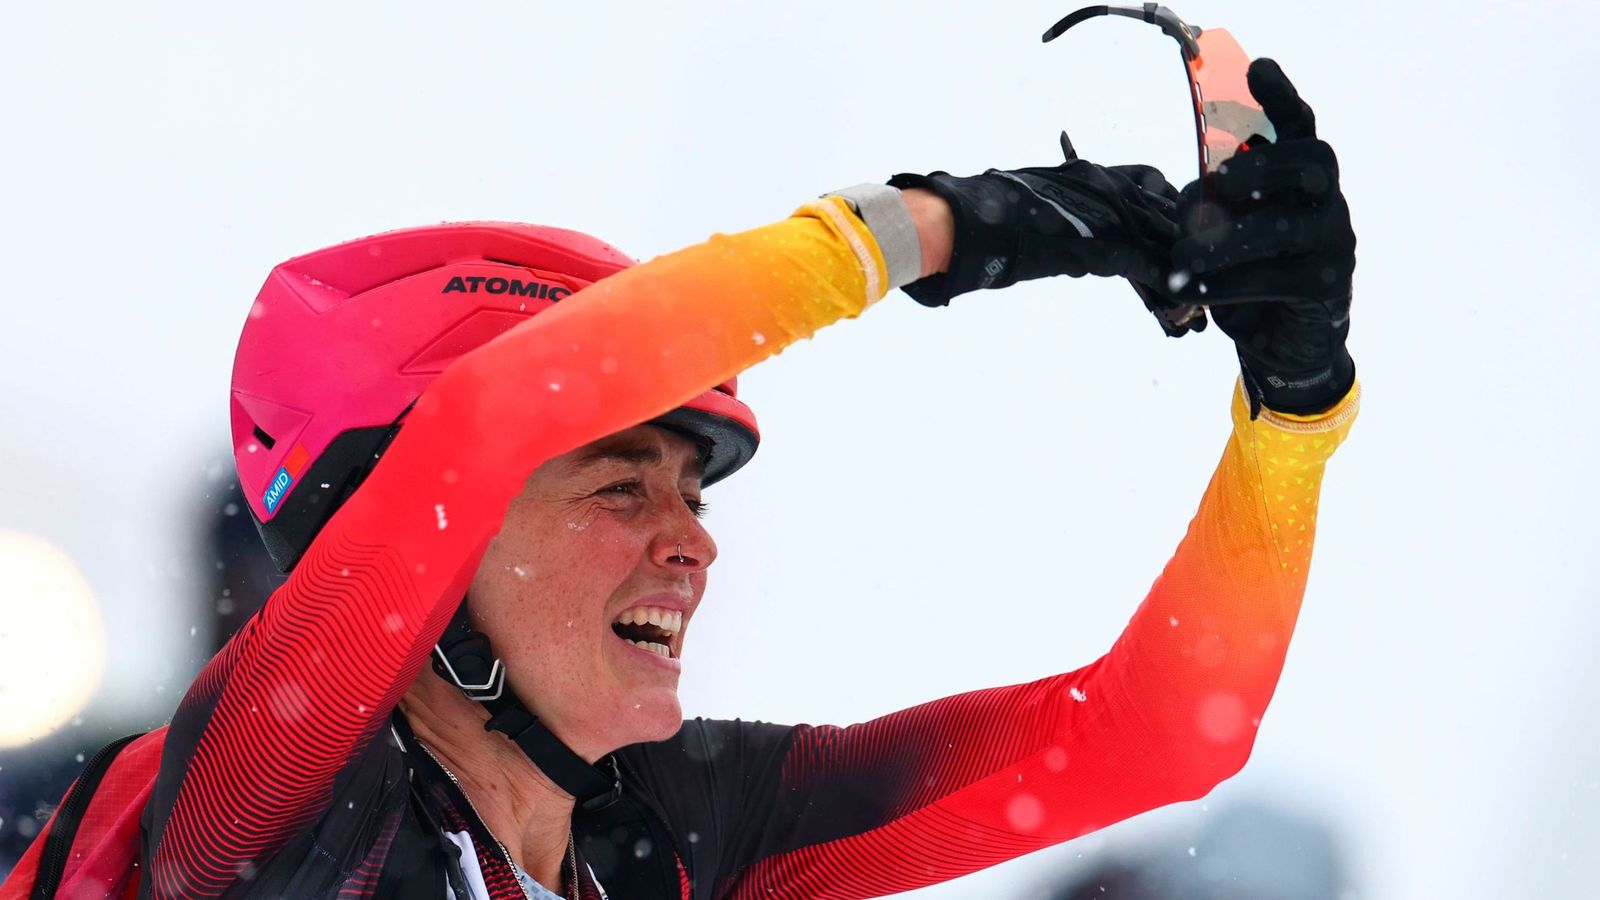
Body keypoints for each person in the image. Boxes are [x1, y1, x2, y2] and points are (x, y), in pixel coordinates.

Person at [10, 59, 1357, 900]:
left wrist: (1290, 415)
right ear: (427, 541)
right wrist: (945, 227)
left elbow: (1156, 737)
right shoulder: (266, 797)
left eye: (694, 494)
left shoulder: (667, 837)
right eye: (618, 487)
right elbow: (488, 416)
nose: (693, 545)